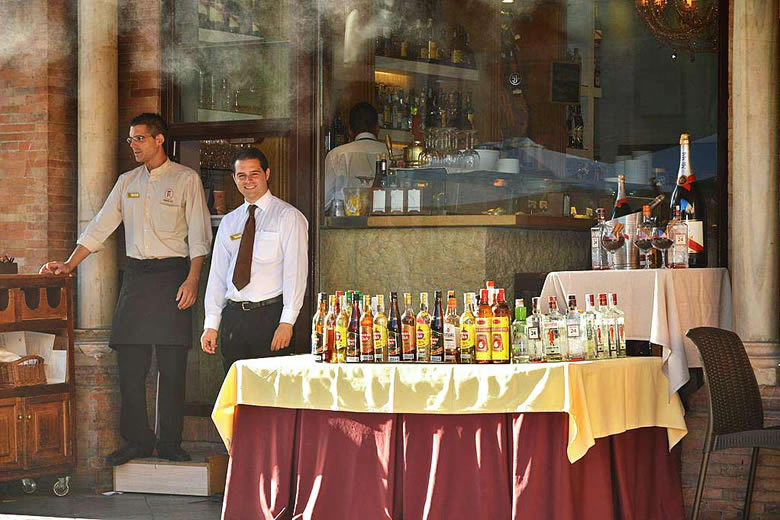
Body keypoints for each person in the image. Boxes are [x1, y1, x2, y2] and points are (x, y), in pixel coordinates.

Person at [41, 113, 212, 466]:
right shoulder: (126, 181)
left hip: (173, 275)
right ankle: (136, 440)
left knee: (172, 367)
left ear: (159, 139)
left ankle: (169, 443)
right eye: (130, 139)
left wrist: (192, 279)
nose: (133, 145)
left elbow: (199, 235)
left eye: (139, 139)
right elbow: (100, 225)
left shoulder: (186, 179)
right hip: (135, 277)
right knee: (130, 367)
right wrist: (69, 264)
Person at [201, 147, 308, 372]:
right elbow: (218, 275)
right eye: (241, 175)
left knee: (271, 395)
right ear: (234, 178)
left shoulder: (288, 217)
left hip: (269, 316)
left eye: (254, 174)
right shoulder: (230, 222)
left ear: (267, 174)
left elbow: (295, 273)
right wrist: (211, 324)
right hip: (233, 319)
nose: (248, 181)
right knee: (236, 393)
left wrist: (287, 322)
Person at [323, 102, 387, 214]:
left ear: (349, 130)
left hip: (344, 225)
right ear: (377, 128)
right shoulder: (393, 154)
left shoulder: (336, 155)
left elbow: (323, 201)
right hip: (388, 224)